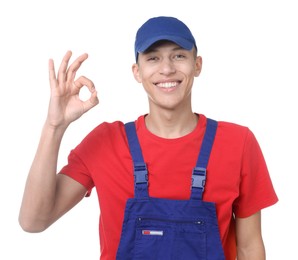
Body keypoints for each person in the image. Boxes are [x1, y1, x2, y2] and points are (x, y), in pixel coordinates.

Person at [19, 16, 278, 260]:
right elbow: (33, 221)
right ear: (137, 72)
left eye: (179, 55)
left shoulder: (237, 143)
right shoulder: (106, 142)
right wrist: (54, 126)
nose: (166, 69)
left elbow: (249, 247)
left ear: (197, 65)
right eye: (153, 58)